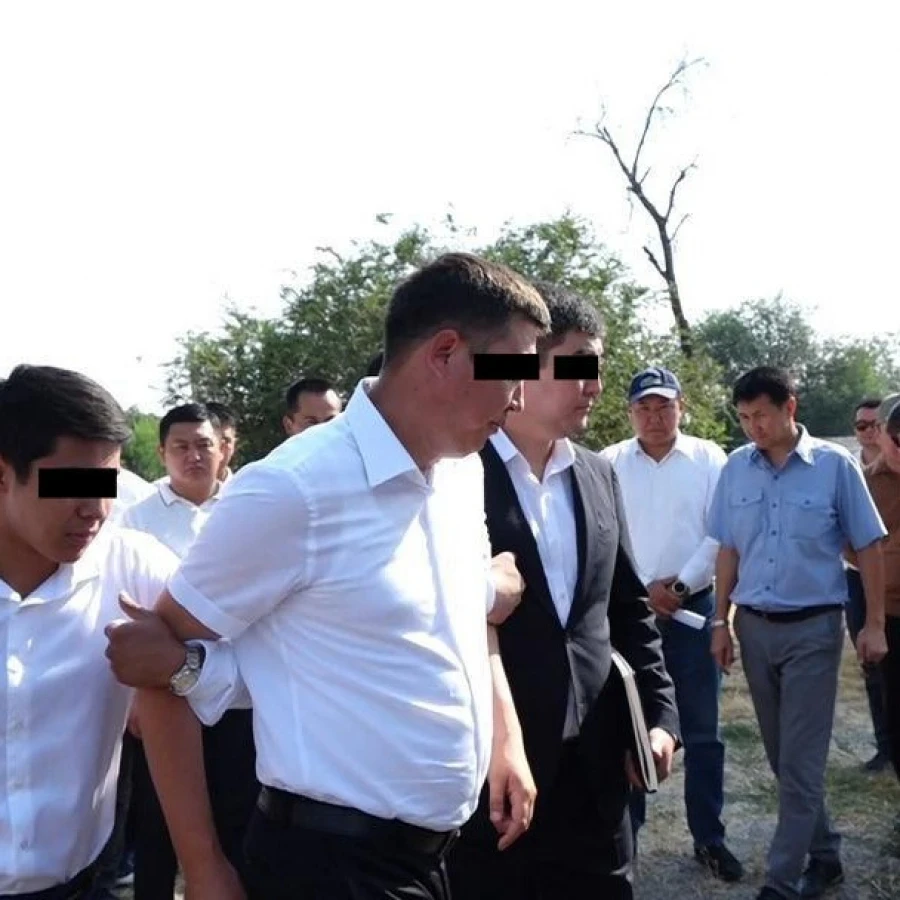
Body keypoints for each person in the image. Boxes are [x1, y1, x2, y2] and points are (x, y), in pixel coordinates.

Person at [106, 252, 550, 900]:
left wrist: (504, 739)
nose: (519, 399)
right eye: (512, 372)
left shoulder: (461, 472)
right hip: (328, 868)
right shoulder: (294, 490)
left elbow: (452, 623)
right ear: (445, 352)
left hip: (434, 859)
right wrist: (202, 870)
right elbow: (155, 660)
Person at [447, 284, 679, 900]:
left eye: (597, 367)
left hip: (599, 775)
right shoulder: (453, 477)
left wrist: (659, 717)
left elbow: (626, 609)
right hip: (495, 785)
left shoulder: (598, 474)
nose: (594, 386)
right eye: (578, 365)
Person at [708, 366, 887, 900]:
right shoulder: (736, 469)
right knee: (779, 755)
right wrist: (720, 622)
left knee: (801, 761)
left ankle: (781, 882)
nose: (753, 427)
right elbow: (728, 548)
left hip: (813, 629)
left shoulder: (834, 466)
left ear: (790, 406)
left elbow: (869, 545)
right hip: (755, 629)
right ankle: (826, 856)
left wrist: (875, 623)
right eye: (744, 418)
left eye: (761, 415)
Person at [0, 365, 178, 899]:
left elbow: (238, 658)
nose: (96, 510)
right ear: (4, 475)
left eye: (107, 485)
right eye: (71, 485)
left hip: (76, 885)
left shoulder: (132, 568)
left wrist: (182, 666)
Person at [601, 365, 742, 881]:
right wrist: (642, 592)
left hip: (693, 609)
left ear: (682, 407)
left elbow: (720, 532)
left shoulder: (709, 459)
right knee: (629, 726)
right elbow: (605, 535)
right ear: (630, 412)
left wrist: (678, 587)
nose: (654, 417)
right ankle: (627, 840)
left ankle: (709, 837)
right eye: (644, 408)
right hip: (630, 612)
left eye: (664, 407)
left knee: (702, 731)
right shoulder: (609, 461)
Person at [122, 403, 257, 899]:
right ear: (162, 453)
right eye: (180, 447)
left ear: (225, 448)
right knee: (157, 829)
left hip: (238, 695)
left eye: (203, 445)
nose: (193, 456)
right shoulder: (136, 518)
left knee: (238, 823)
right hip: (162, 698)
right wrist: (132, 699)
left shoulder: (251, 506)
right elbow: (122, 609)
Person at [844, 396, 892, 771]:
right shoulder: (853, 473)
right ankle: (885, 746)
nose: (869, 432)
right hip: (861, 582)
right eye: (862, 426)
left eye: (876, 425)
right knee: (873, 668)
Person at [857, 397, 900, 781]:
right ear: (882, 434)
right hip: (891, 614)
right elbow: (849, 544)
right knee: (894, 707)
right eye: (896, 437)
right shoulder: (866, 484)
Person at [205, 401, 239, 482]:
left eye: (226, 441)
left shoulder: (247, 488)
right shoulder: (173, 488)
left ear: (234, 445)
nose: (218, 448)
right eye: (208, 441)